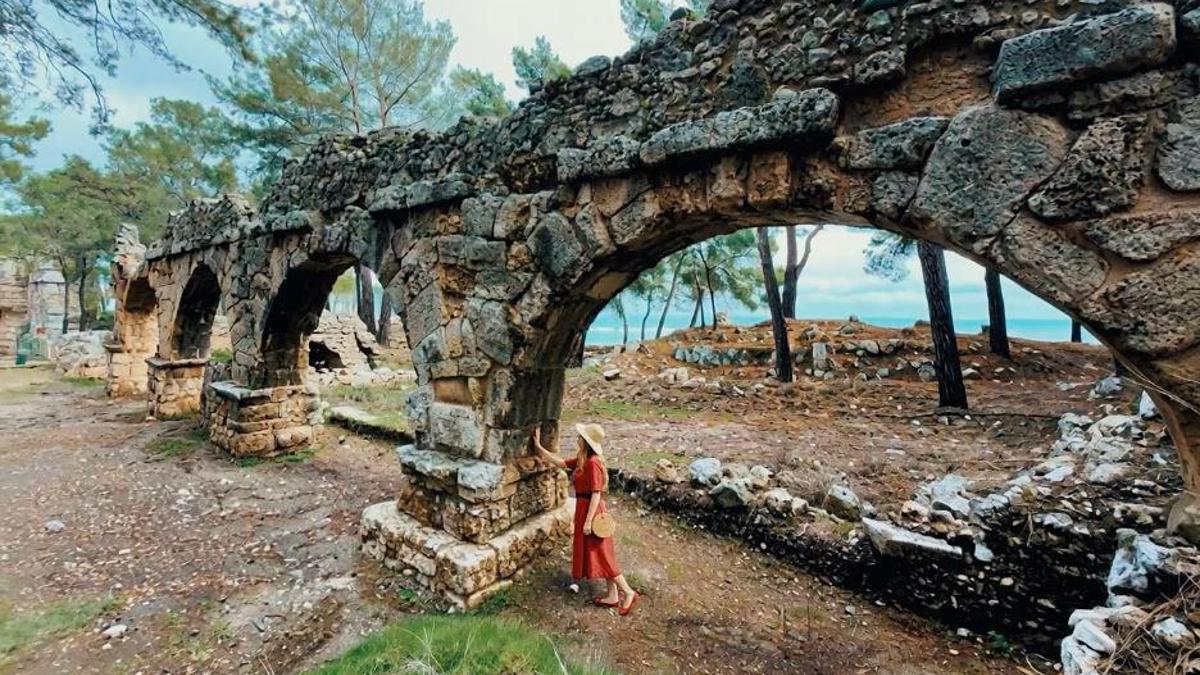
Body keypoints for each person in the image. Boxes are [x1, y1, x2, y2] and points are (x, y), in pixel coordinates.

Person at [532, 423, 639, 616]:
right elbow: (561, 463)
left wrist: (589, 521)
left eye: (580, 436)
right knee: (600, 553)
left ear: (586, 442)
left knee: (603, 554)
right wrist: (539, 448)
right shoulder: (583, 459)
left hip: (592, 511)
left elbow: (596, 494)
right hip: (584, 509)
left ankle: (628, 591)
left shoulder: (593, 462)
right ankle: (612, 595)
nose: (577, 438)